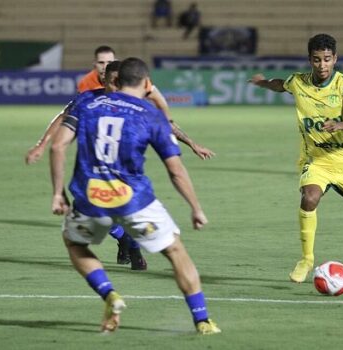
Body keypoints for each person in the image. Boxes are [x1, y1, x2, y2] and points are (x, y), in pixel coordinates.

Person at [49, 57, 221, 334]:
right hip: (135, 201)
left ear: (115, 81)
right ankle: (202, 320)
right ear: (145, 83)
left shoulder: (85, 104)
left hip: (90, 199)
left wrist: (58, 193)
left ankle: (109, 294)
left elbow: (58, 147)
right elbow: (175, 170)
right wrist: (195, 208)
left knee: (75, 243)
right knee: (176, 251)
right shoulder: (150, 113)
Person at [26, 46, 215, 269]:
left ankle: (130, 247)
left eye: (109, 64)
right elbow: (64, 117)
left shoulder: (137, 94)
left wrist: (190, 142)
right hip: (96, 170)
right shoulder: (88, 93)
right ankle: (125, 246)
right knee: (99, 215)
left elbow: (165, 120)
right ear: (98, 71)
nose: (106, 71)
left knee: (114, 215)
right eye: (101, 64)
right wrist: (42, 144)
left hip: (126, 173)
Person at [248, 34, 343, 288]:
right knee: (309, 197)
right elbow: (280, 84)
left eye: (327, 60)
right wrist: (263, 82)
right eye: (317, 60)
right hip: (315, 159)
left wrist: (339, 124)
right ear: (310, 60)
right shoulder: (298, 82)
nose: (322, 65)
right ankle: (307, 260)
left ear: (335, 59)